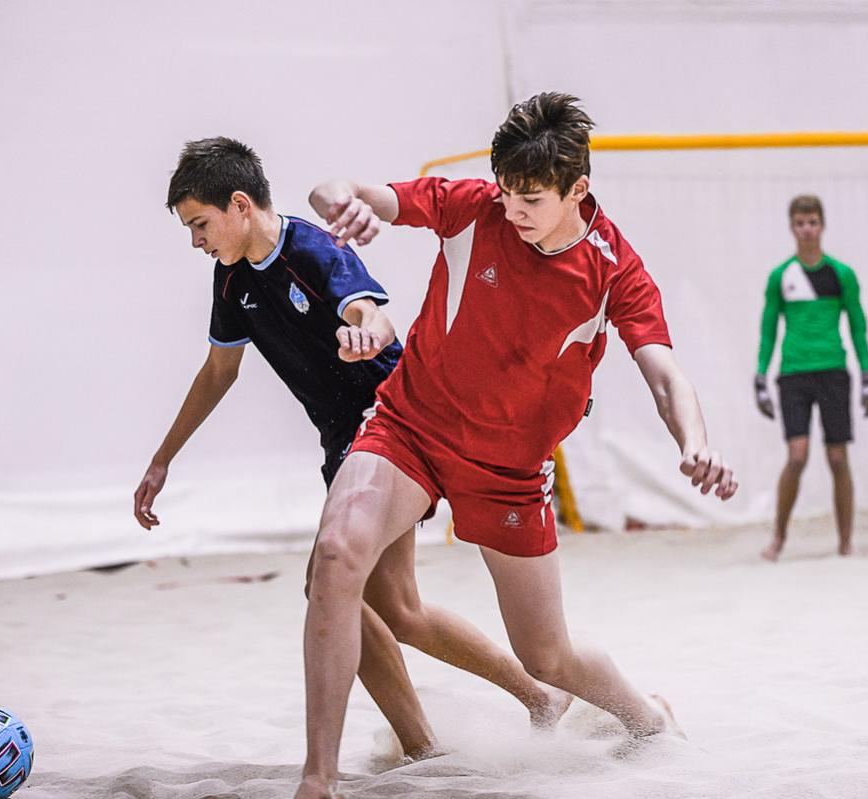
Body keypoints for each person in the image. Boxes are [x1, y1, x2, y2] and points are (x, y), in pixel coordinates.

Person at [297, 93, 738, 799]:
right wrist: (341, 200)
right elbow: (344, 189)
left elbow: (662, 372)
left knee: (547, 655)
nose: (513, 210)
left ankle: (646, 718)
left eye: (530, 199)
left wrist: (695, 442)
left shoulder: (613, 268)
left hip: (507, 468)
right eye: (506, 191)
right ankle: (317, 780)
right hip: (412, 425)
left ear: (577, 189)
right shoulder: (475, 207)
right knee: (334, 556)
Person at [133, 137, 570, 762]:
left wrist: (365, 334)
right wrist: (162, 459)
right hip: (341, 433)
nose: (196, 240)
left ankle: (429, 741)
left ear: (239, 205)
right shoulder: (230, 278)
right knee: (396, 607)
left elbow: (373, 315)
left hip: (386, 416)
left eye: (200, 224)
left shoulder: (312, 249)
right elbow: (218, 371)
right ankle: (521, 705)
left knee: (333, 587)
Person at [754, 194, 868, 562]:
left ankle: (846, 541)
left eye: (812, 222)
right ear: (792, 227)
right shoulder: (781, 276)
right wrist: (761, 375)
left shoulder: (841, 274)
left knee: (838, 457)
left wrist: (866, 372)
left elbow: (857, 326)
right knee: (797, 455)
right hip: (793, 373)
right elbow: (768, 329)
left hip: (833, 370)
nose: (807, 229)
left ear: (822, 225)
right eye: (800, 223)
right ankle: (778, 536)